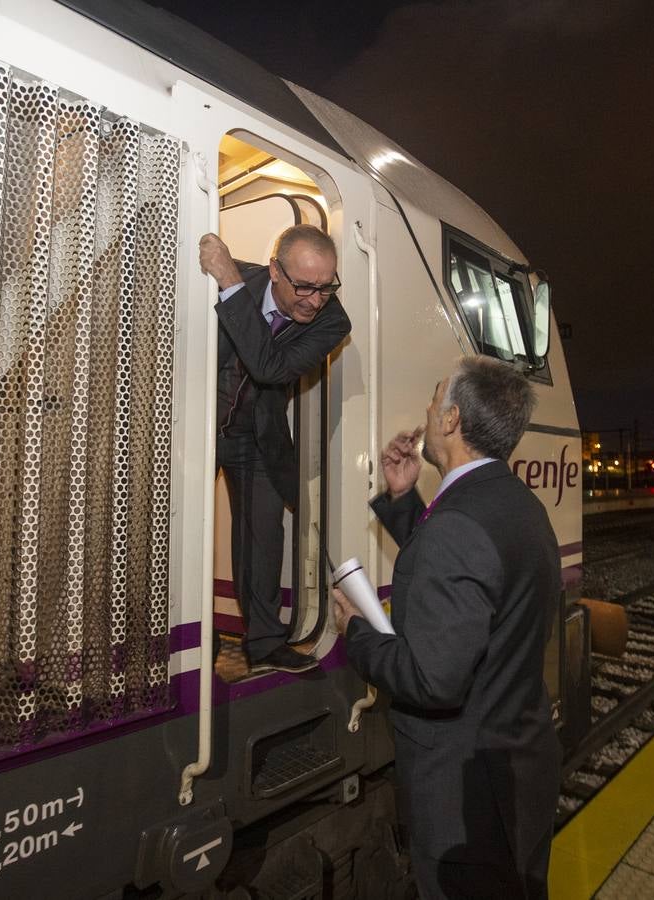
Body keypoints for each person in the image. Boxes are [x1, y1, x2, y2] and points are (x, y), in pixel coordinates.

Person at [333, 356, 561, 899]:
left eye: (437, 400)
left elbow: (434, 680)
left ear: (453, 419)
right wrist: (401, 499)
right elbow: (471, 582)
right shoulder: (518, 506)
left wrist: (357, 632)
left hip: (464, 795)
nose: (429, 410)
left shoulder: (460, 523)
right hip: (517, 767)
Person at [199, 225, 351, 674]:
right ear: (274, 271)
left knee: (264, 539)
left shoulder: (333, 321)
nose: (314, 299)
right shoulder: (229, 279)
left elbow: (269, 368)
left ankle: (264, 643)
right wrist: (228, 281)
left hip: (255, 437)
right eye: (303, 285)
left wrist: (230, 286)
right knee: (179, 533)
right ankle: (192, 637)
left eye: (326, 287)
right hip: (197, 432)